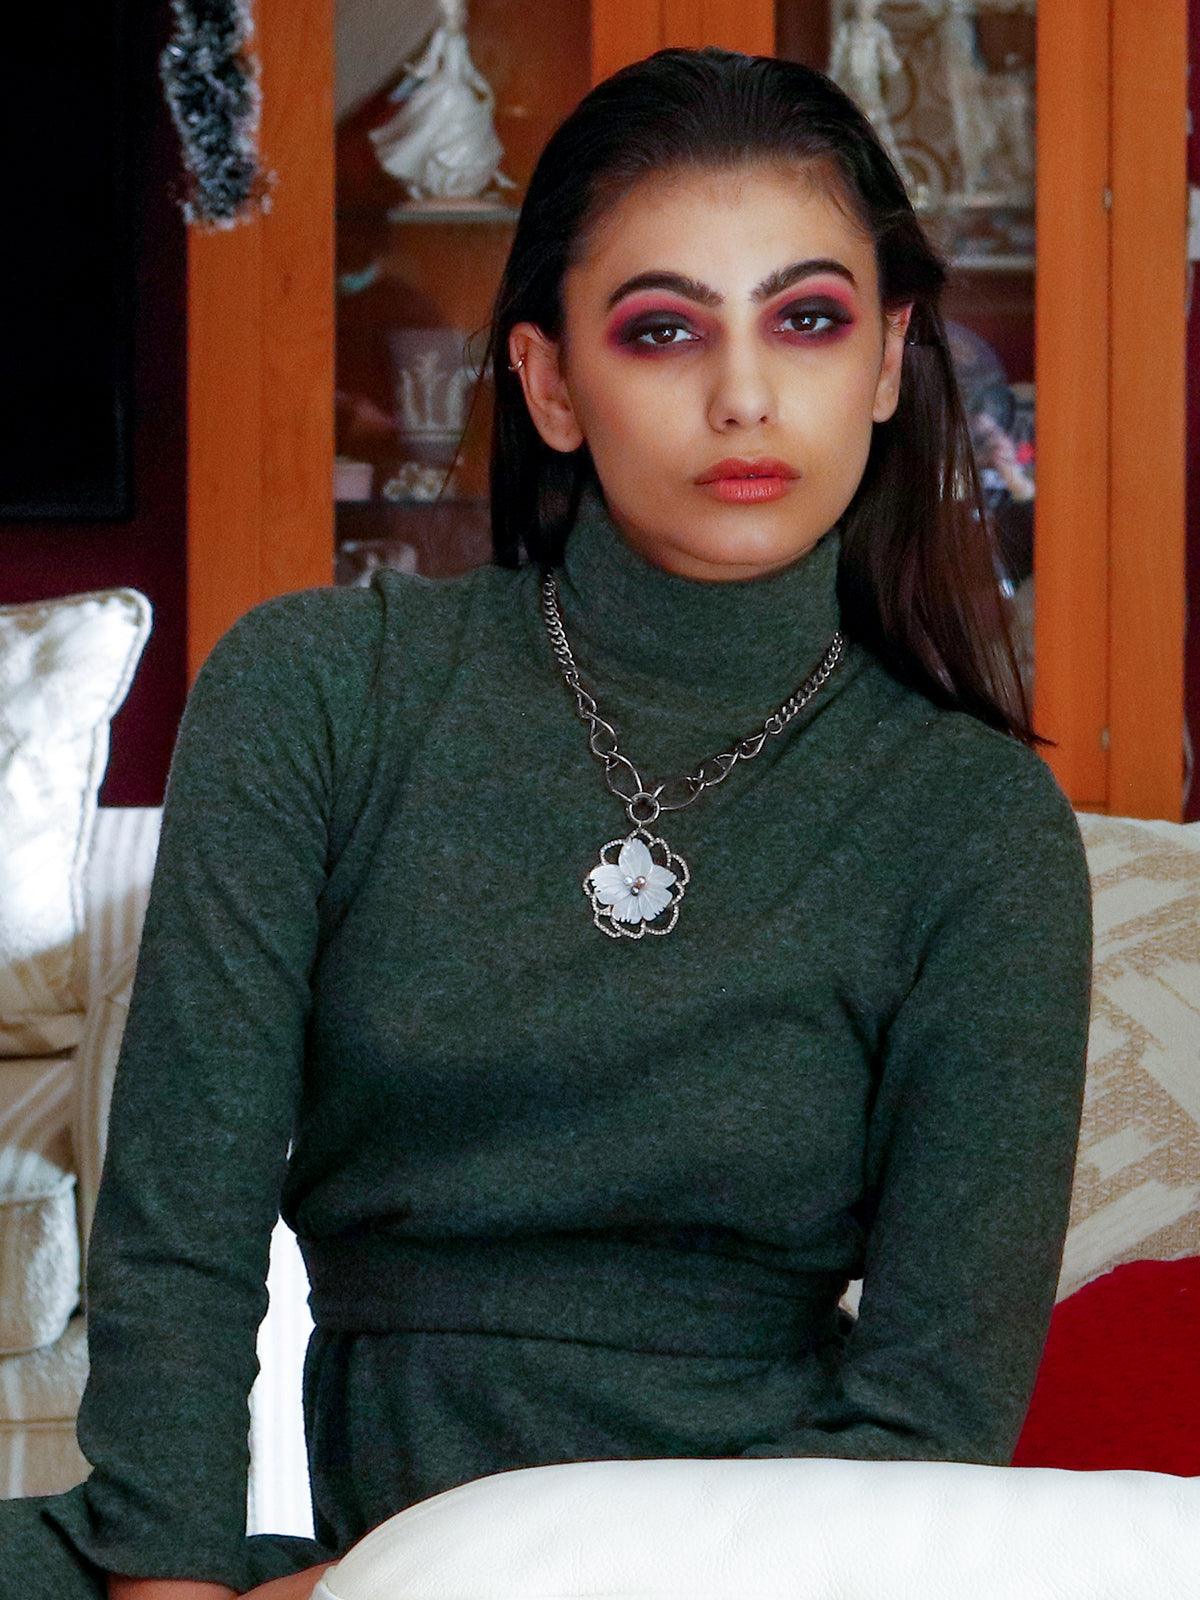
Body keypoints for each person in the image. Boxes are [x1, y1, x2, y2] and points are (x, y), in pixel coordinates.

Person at [0, 44, 1094, 1600]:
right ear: (551, 383)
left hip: (751, 1566)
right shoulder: (321, 690)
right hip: (352, 1559)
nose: (743, 393)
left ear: (885, 360)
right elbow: (183, 1228)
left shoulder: (976, 823)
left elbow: (930, 1420)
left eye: (806, 319)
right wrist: (178, 1586)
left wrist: (491, 1578)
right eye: (663, 329)